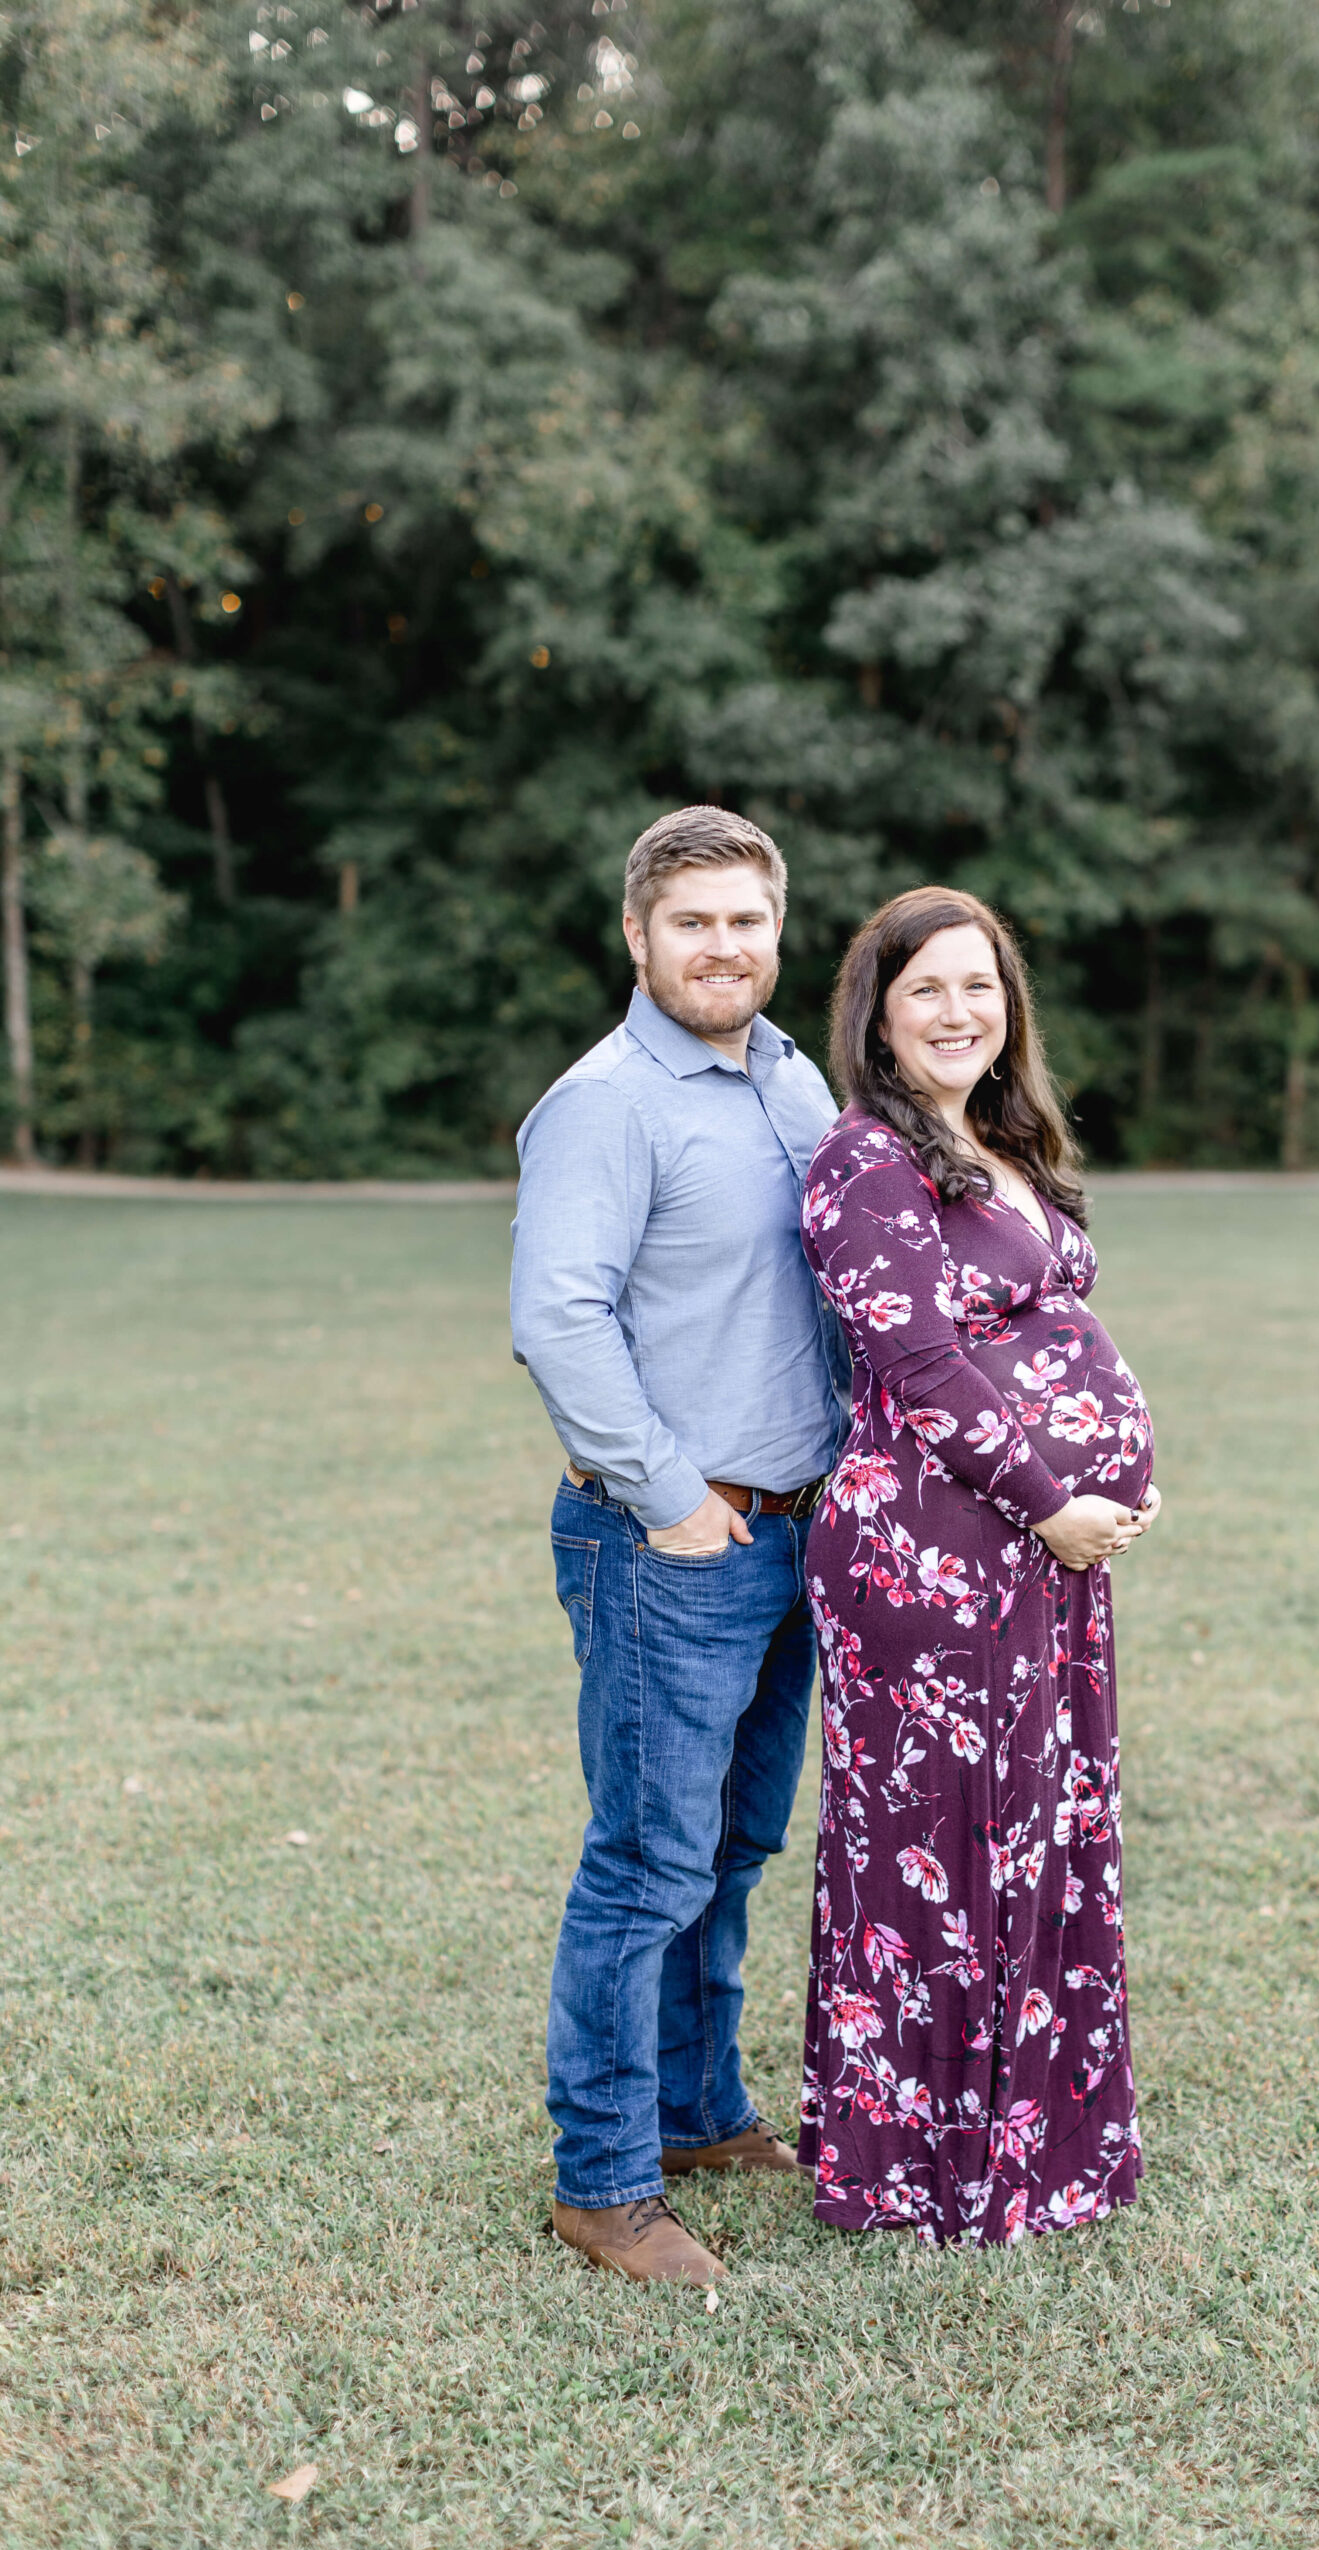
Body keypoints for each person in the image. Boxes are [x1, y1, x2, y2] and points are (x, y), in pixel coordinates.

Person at [510, 806, 846, 2287]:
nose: (725, 947)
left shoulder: (789, 1078)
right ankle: (604, 2182)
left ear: (779, 934)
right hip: (671, 1542)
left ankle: (704, 2115)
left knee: (733, 1847)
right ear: (637, 936)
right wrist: (670, 1498)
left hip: (798, 1537)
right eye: (693, 922)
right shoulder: (606, 1104)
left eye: (747, 922)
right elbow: (556, 1318)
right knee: (647, 1864)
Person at [795, 887, 1160, 2248]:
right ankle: (926, 2173)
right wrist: (1056, 1494)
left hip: (1044, 1551)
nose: (960, 1012)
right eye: (927, 990)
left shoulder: (1001, 1140)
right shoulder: (862, 1161)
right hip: (930, 1554)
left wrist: (1116, 1475)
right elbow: (923, 1364)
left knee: (1039, 1832)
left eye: (981, 986)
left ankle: (1038, 2148)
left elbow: (1056, 1329)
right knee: (940, 1853)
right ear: (878, 1017)